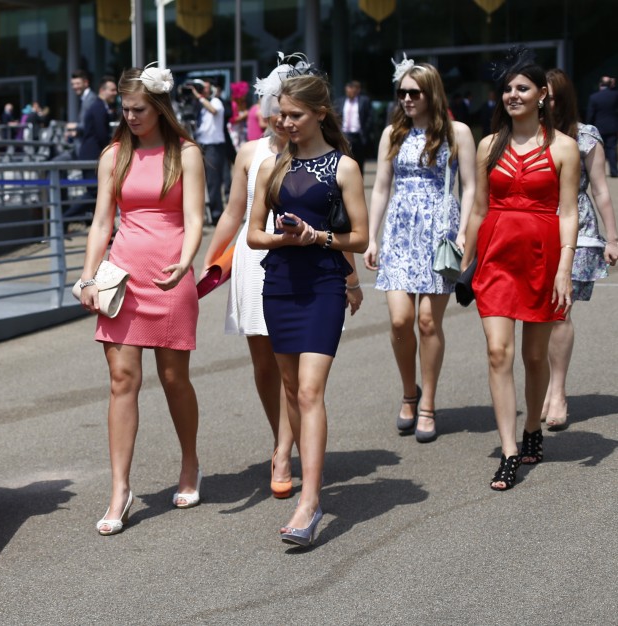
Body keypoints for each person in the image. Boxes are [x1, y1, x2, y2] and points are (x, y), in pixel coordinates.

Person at [77, 65, 205, 536]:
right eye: (125, 109)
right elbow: (99, 224)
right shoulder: (113, 155)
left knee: (174, 379)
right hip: (122, 279)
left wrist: (186, 261)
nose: (131, 116)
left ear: (159, 108)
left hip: (171, 276)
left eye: (139, 110)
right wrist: (88, 277)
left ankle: (190, 462)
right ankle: (120, 489)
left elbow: (195, 219)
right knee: (121, 380)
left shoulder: (185, 153)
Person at [247, 70, 368, 546]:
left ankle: (310, 500)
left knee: (311, 391)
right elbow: (254, 234)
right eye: (282, 114)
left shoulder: (344, 168)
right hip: (278, 284)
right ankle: (303, 478)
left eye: (295, 115)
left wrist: (317, 237)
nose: (286, 122)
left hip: (321, 285)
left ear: (319, 113)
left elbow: (358, 236)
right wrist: (285, 236)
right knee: (293, 388)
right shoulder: (270, 166)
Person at [460, 48, 579, 491]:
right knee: (498, 353)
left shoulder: (564, 147)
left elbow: (568, 212)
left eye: (522, 88)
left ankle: (533, 426)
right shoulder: (488, 145)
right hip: (495, 257)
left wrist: (565, 266)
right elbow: (476, 210)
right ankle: (510, 451)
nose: (512, 95)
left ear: (542, 94)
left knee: (534, 356)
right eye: (507, 89)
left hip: (542, 256)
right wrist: (464, 261)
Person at [201, 57, 310, 500]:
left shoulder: (317, 152)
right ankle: (283, 437)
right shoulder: (249, 152)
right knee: (264, 365)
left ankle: (284, 450)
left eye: (289, 108)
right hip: (252, 260)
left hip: (301, 260)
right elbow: (232, 212)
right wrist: (208, 264)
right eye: (275, 107)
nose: (280, 116)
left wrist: (347, 275)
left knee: (294, 370)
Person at [365, 59, 476, 442]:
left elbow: (472, 187)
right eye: (402, 93)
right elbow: (380, 187)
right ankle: (407, 392)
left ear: (432, 93)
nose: (408, 99)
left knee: (428, 322)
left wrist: (464, 233)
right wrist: (373, 236)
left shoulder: (457, 132)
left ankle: (427, 403)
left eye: (415, 92)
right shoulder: (392, 133)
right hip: (399, 231)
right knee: (399, 321)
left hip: (439, 232)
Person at [541, 69, 618, 430]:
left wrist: (613, 238)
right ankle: (542, 385)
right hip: (533, 229)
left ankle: (557, 391)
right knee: (535, 315)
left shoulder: (585, 136)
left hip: (577, 231)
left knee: (560, 310)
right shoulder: (524, 136)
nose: (544, 102)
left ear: (564, 98)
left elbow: (601, 189)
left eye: (551, 96)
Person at [63, 75, 119, 221]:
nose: (115, 93)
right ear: (102, 90)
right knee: (95, 192)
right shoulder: (98, 107)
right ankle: (64, 218)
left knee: (98, 193)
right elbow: (101, 134)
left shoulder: (100, 106)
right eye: (112, 90)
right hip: (92, 156)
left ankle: (106, 230)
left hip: (92, 155)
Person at [190, 77, 227, 223]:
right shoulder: (199, 105)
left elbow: (213, 111)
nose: (202, 90)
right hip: (201, 145)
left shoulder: (215, 101)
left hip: (213, 147)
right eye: (200, 88)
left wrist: (199, 97)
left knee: (213, 182)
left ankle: (217, 215)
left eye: (204, 87)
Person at [335, 80, 373, 172]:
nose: (350, 91)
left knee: (359, 163)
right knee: (343, 161)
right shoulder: (340, 101)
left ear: (357, 90)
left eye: (352, 89)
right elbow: (335, 116)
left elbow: (369, 118)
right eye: (348, 89)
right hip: (344, 136)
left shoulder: (364, 101)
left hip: (358, 136)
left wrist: (366, 131)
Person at [586, 76, 618, 177]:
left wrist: (588, 126)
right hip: (613, 126)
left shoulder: (594, 97)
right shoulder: (615, 95)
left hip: (599, 128)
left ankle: (598, 173)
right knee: (611, 149)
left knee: (598, 151)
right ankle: (614, 171)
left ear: (600, 84)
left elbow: (590, 114)